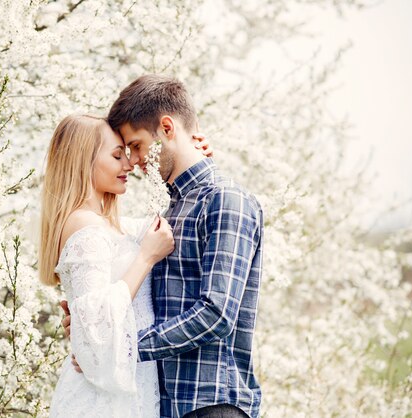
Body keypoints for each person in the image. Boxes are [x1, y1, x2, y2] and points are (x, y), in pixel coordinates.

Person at [63, 75, 264, 418]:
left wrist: (121, 347)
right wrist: (90, 317)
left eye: (138, 146)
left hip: (213, 404)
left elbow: (216, 314)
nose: (135, 161)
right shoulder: (168, 214)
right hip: (166, 406)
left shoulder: (225, 200)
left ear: (167, 128)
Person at [40, 114, 213, 417]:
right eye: (117, 155)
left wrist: (193, 157)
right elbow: (96, 326)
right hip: (100, 401)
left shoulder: (110, 226)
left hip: (132, 391)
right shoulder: (83, 225)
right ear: (83, 160)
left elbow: (166, 224)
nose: (129, 165)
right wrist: (146, 258)